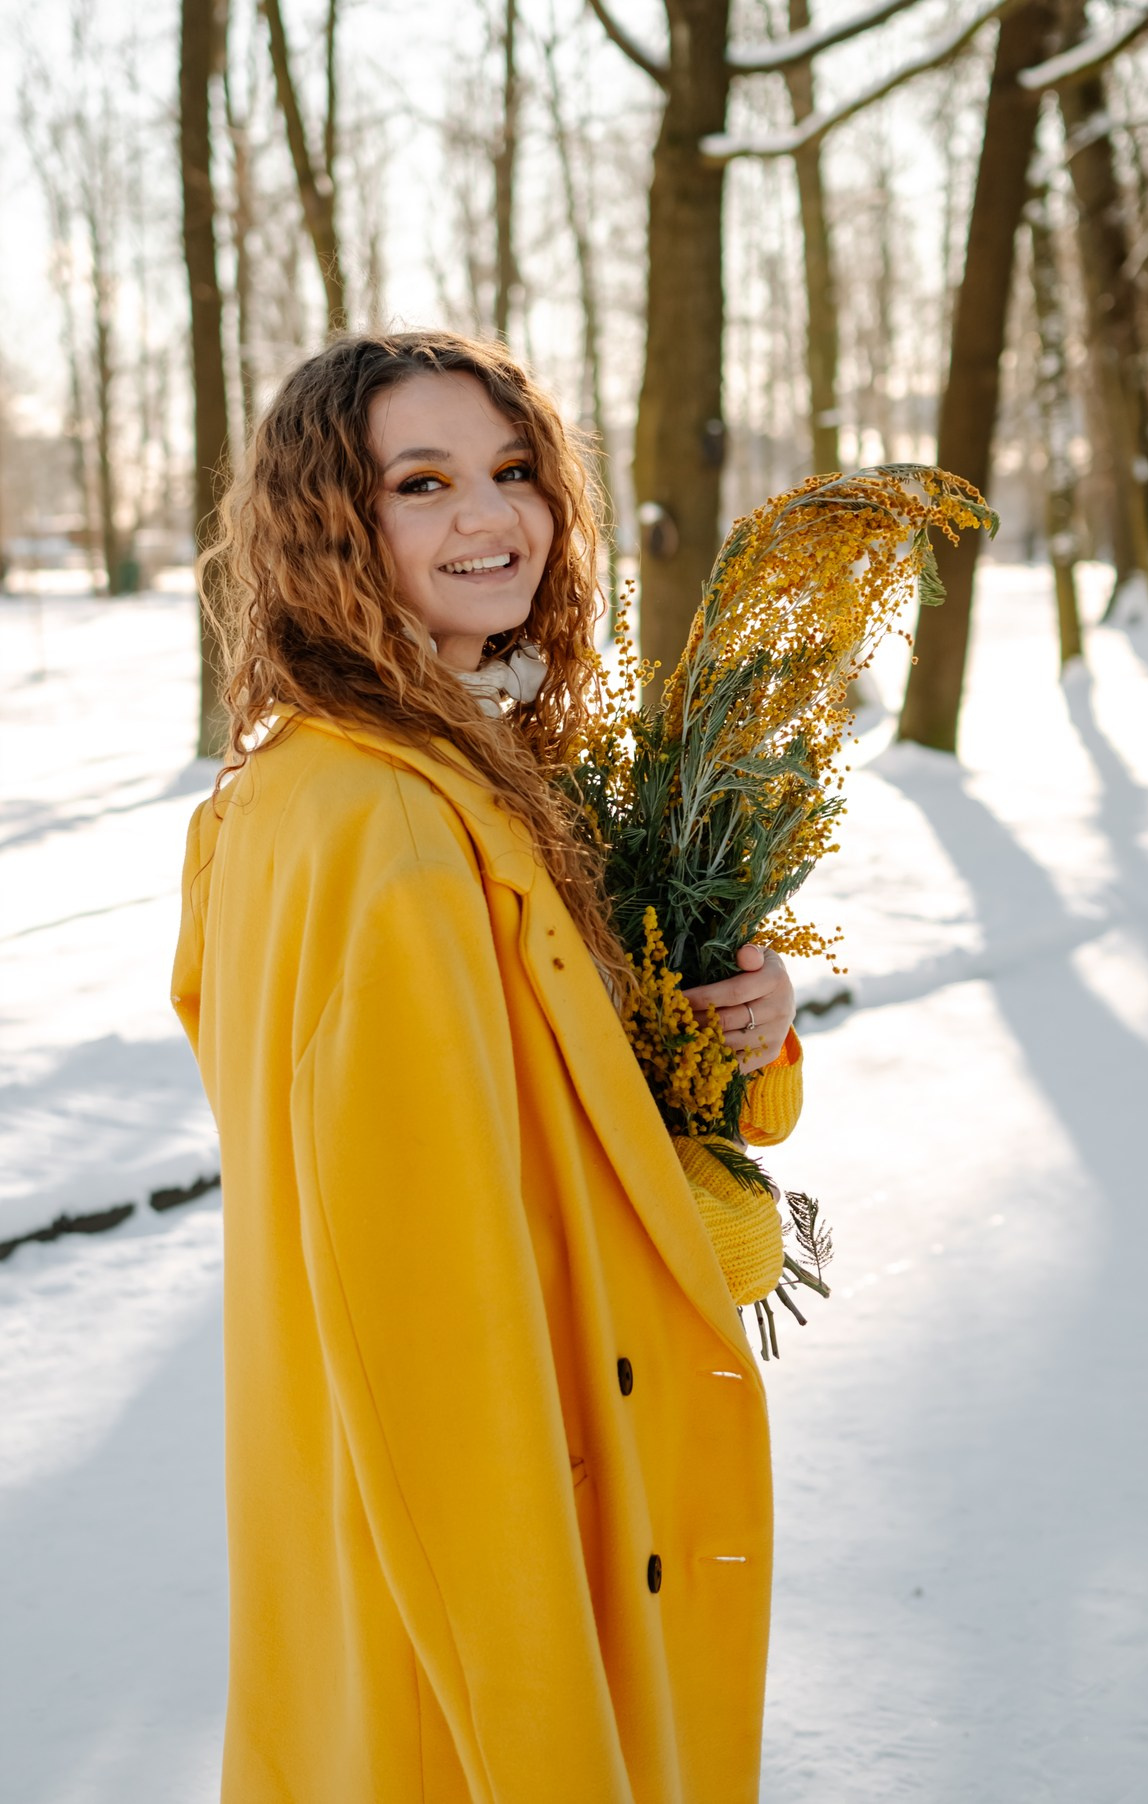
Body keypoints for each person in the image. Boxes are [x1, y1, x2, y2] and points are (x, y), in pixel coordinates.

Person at [171, 330, 804, 1803]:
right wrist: (534, 1714)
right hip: (498, 1537)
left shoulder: (382, 775)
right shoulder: (391, 827)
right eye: (421, 482)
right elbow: (429, 1319)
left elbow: (562, 1099)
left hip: (414, 1502)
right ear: (331, 525)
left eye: (514, 470)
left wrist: (740, 1028)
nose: (489, 516)